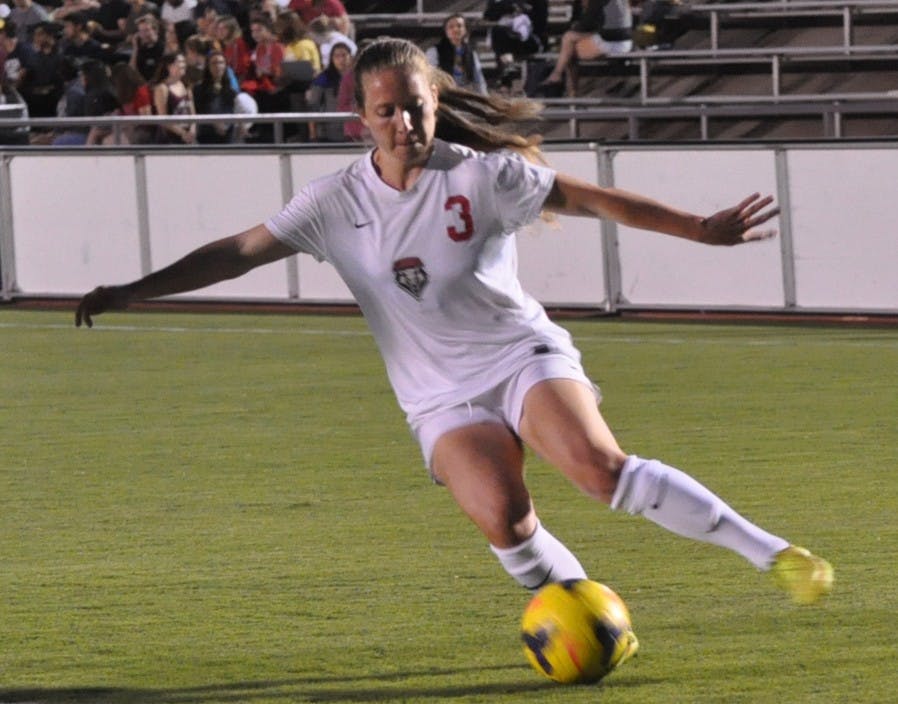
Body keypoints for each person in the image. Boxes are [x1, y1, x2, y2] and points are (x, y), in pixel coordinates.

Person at [75, 38, 834, 620]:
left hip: (519, 356)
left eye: (415, 103)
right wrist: (134, 290)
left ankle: (772, 554)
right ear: (361, 120)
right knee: (506, 521)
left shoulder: (482, 175)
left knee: (599, 469)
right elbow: (238, 253)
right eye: (387, 111)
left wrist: (700, 229)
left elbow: (595, 199)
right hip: (438, 397)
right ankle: (586, 613)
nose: (405, 122)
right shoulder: (333, 203)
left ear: (433, 97)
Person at [542, 0, 633, 95]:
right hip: (626, 42)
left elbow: (587, 23)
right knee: (568, 44)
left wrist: (576, 26)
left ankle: (560, 78)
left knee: (568, 44)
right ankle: (561, 80)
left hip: (610, 42)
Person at [425, 14, 487, 96]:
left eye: (459, 26)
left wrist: (484, 97)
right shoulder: (434, 51)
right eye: (451, 27)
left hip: (465, 93)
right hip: (443, 94)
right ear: (446, 32)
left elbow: (478, 78)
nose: (455, 29)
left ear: (465, 30)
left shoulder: (471, 53)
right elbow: (430, 77)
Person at [304, 39, 349, 141]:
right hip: (329, 131)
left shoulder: (357, 77)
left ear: (350, 57)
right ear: (331, 59)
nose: (341, 59)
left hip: (353, 131)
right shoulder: (323, 78)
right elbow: (313, 106)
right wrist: (313, 134)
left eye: (344, 55)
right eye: (337, 56)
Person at [192, 48, 236, 142]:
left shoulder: (231, 89)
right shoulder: (199, 88)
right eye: (214, 63)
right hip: (206, 136)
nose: (218, 66)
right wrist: (214, 123)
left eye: (221, 62)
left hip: (227, 135)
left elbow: (233, 111)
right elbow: (198, 111)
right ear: (208, 66)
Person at [151, 50, 195, 143]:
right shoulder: (162, 88)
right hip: (169, 139)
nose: (183, 65)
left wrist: (192, 130)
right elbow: (163, 117)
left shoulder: (186, 85)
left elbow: (192, 113)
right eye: (179, 62)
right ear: (169, 67)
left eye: (184, 62)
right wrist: (182, 133)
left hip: (187, 136)